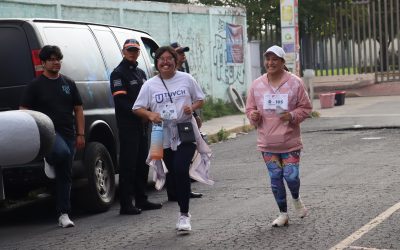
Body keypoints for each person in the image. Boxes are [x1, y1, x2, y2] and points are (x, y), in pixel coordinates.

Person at [133, 46, 205, 232]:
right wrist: (150, 115)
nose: (165, 62)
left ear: (175, 61)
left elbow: (200, 99)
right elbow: (137, 108)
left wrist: (191, 107)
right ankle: (181, 205)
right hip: (160, 132)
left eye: (169, 58)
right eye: (161, 59)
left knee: (181, 169)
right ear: (157, 63)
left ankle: (184, 215)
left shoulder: (186, 79)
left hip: (185, 130)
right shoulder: (149, 84)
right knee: (173, 173)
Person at [245, 45, 312, 227]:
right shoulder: (257, 84)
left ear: (283, 62)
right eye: (268, 59)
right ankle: (283, 214)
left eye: (275, 59)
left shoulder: (294, 82)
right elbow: (250, 108)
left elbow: (306, 108)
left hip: (290, 141)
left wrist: (291, 116)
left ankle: (296, 200)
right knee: (275, 179)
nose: (270, 62)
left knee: (291, 177)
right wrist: (253, 115)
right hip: (267, 143)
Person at [20, 45, 85, 228]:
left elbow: (78, 109)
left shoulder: (68, 83)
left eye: (58, 59)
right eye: (52, 59)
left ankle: (63, 213)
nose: (56, 63)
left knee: (66, 174)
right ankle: (51, 157)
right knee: (61, 154)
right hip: (48, 132)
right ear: (43, 62)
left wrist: (81, 133)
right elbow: (23, 110)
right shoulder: (35, 86)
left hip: (69, 132)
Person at [110, 39, 162, 215]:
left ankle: (142, 199)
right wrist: (141, 114)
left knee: (142, 162)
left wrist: (150, 113)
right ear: (123, 51)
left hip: (143, 125)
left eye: (136, 50)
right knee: (128, 165)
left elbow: (150, 96)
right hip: (129, 125)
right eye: (130, 50)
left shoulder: (140, 73)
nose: (133, 53)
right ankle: (126, 204)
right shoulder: (118, 74)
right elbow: (121, 102)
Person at [169, 42, 203, 200]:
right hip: (169, 123)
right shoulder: (165, 76)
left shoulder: (184, 73)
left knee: (186, 153)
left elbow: (191, 98)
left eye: (183, 52)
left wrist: (195, 114)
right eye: (179, 53)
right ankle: (174, 192)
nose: (183, 55)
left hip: (185, 122)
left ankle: (184, 189)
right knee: (171, 156)